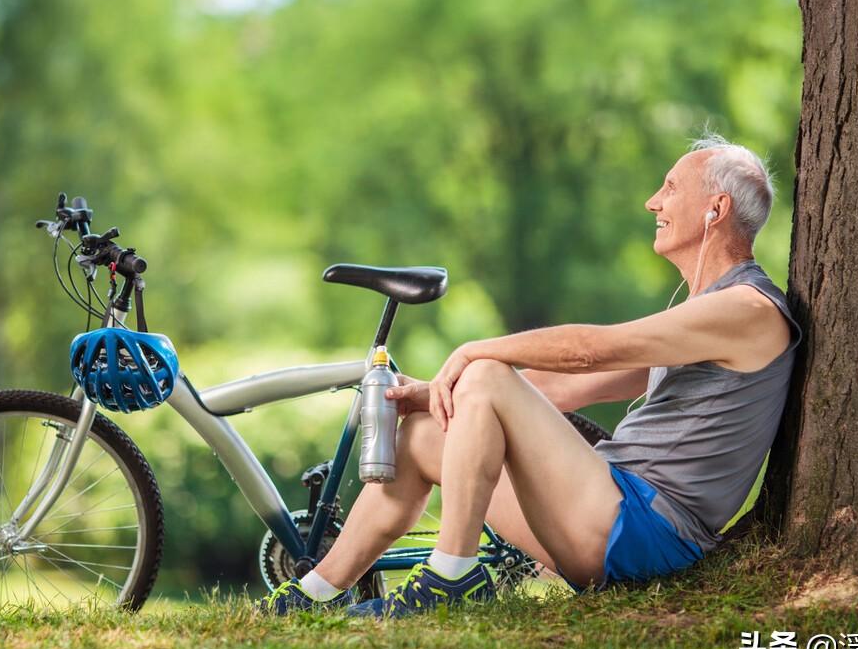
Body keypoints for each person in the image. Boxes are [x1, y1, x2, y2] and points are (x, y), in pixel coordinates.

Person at [258, 133, 801, 618]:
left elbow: (592, 351)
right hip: (607, 512)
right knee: (424, 435)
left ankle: (453, 575)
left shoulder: (746, 310)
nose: (653, 202)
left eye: (670, 187)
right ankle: (317, 591)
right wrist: (438, 393)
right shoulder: (703, 315)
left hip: (644, 531)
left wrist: (476, 354)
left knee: (490, 373)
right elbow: (562, 387)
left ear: (716, 209)